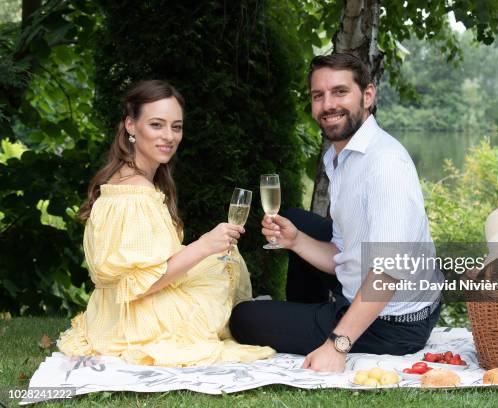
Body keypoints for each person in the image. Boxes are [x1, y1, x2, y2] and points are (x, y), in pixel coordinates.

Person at [229, 53, 442, 372]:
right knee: (298, 223)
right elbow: (343, 252)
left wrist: (337, 345)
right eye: (319, 95)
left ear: (367, 96)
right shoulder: (340, 157)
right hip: (363, 288)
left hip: (395, 322)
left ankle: (321, 326)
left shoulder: (385, 166)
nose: (328, 104)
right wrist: (297, 241)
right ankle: (305, 319)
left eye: (340, 92)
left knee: (243, 319)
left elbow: (388, 273)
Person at [58, 80, 275, 366]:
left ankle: (254, 315)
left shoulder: (135, 180)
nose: (169, 136)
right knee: (220, 261)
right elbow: (141, 284)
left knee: (224, 258)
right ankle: (258, 318)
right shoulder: (134, 193)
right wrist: (203, 245)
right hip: (139, 319)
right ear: (131, 126)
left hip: (115, 312)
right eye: (157, 125)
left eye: (176, 126)